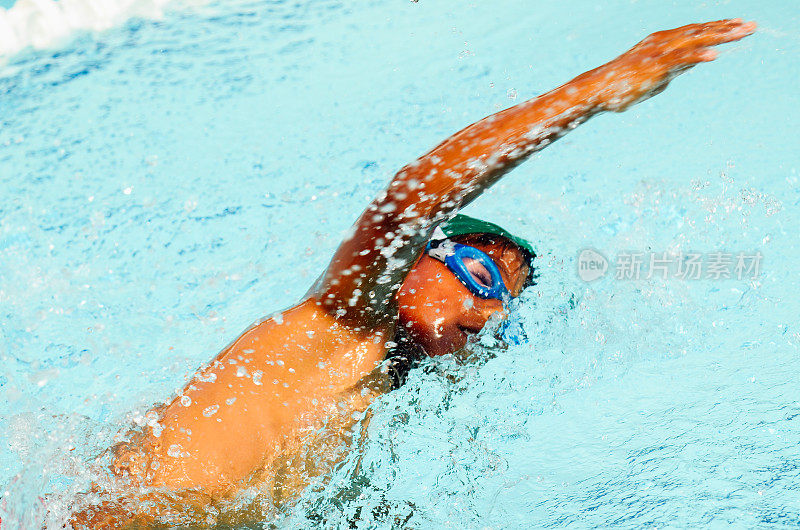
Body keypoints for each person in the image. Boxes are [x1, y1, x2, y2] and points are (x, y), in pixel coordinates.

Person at [69, 18, 755, 528]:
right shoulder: (343, 322)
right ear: (418, 259)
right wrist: (586, 94)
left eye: (503, 311)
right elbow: (414, 193)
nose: (487, 314)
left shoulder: (373, 394)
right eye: (483, 278)